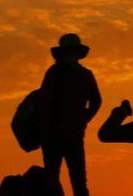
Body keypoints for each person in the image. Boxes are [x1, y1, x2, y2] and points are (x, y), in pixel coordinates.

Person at [37, 33, 102, 196]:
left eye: (73, 52)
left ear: (78, 53)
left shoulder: (85, 75)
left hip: (73, 135)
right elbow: (45, 103)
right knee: (52, 180)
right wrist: (45, 130)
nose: (71, 55)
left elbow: (96, 101)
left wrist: (83, 119)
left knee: (78, 180)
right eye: (68, 52)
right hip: (53, 135)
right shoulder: (54, 73)